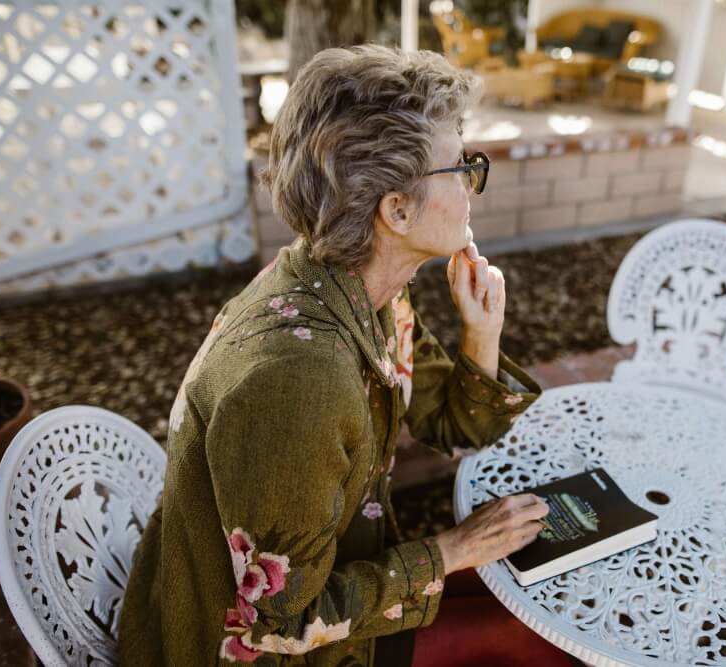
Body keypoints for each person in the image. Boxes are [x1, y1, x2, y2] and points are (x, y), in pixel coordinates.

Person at [119, 44, 579, 666]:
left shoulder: (364, 292)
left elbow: (455, 425)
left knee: (543, 590)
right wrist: (453, 549)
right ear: (395, 210)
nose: (473, 184)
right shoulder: (297, 381)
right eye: (460, 167)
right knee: (532, 641)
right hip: (260, 652)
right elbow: (286, 620)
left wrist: (483, 332)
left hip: (340, 579)